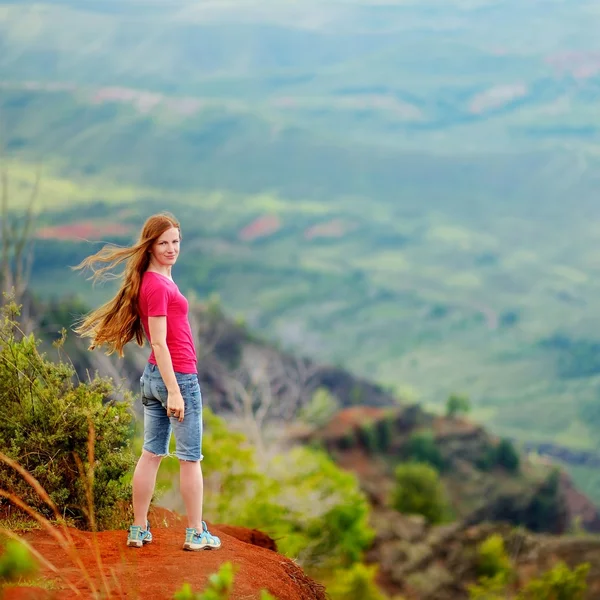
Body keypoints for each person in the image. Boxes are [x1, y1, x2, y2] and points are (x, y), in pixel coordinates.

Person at [74, 212, 221, 551]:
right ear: (150, 246)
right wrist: (174, 390)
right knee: (190, 458)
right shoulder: (155, 286)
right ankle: (196, 533)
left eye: (175, 241)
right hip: (176, 378)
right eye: (163, 243)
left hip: (155, 376)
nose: (171, 248)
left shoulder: (158, 279)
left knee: (152, 453)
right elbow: (158, 341)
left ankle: (139, 528)